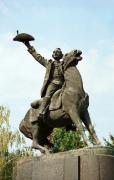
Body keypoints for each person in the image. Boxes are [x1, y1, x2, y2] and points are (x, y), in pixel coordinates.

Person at [24, 41, 64, 118]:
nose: (55, 53)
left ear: (61, 55)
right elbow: (38, 57)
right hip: (53, 84)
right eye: (54, 52)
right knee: (47, 96)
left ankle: (70, 123)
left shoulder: (64, 64)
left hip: (63, 85)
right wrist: (28, 46)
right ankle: (41, 111)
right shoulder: (49, 63)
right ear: (52, 55)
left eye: (57, 52)